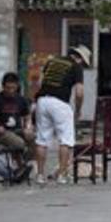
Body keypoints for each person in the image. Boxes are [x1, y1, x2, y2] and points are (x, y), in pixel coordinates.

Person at [34, 45, 91, 184]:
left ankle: (40, 175)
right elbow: (79, 92)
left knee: (42, 139)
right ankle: (62, 175)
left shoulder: (52, 61)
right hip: (60, 103)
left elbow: (40, 82)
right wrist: (77, 110)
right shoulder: (76, 66)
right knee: (66, 139)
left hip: (42, 101)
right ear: (79, 58)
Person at [0, 72, 36, 162]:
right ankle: (19, 164)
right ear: (3, 87)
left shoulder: (21, 100)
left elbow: (27, 117)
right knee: (19, 143)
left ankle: (24, 162)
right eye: (8, 88)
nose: (11, 91)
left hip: (17, 130)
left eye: (13, 88)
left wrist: (28, 127)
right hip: (2, 132)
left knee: (35, 139)